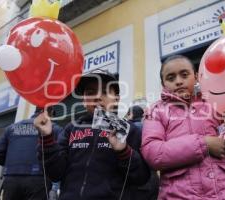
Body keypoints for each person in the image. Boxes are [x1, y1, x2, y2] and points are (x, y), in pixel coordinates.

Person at [141, 55, 225, 199]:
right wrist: (203, 144)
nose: (178, 81)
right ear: (163, 83)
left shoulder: (216, 103)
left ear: (196, 76)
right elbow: (153, 153)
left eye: (184, 75)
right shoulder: (155, 111)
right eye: (171, 78)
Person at [34, 70, 150, 200]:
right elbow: (55, 174)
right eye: (90, 93)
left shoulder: (129, 130)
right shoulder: (71, 128)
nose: (97, 97)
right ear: (83, 100)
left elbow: (141, 178)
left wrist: (123, 151)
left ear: (117, 99)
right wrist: (47, 138)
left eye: (105, 92)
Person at [0, 107, 62, 200]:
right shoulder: (54, 128)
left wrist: (10, 165)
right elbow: (61, 155)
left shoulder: (11, 128)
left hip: (11, 179)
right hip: (38, 180)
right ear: (48, 113)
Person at [126, 105, 160, 200]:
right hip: (152, 178)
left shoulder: (127, 129)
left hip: (135, 180)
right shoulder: (150, 128)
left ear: (130, 114)